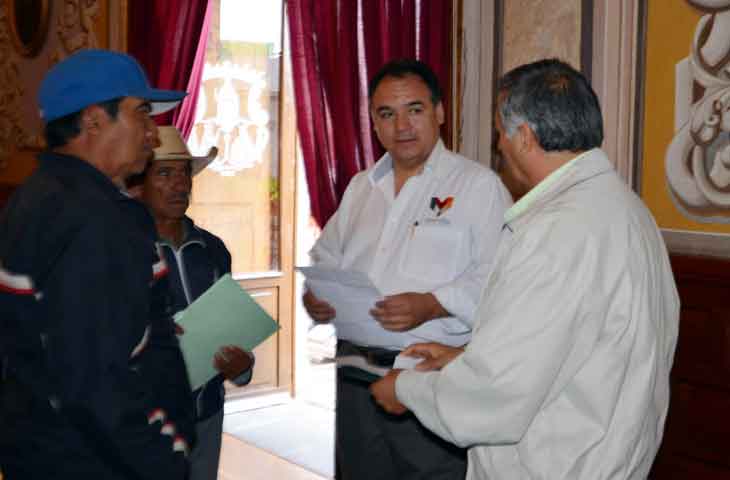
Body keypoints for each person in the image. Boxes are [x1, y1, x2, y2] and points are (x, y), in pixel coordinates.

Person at [371, 58, 680, 480]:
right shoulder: (626, 209)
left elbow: (495, 397)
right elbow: (569, 344)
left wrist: (405, 389)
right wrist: (464, 358)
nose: (498, 145)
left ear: (525, 137)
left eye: (500, 131)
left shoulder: (556, 231)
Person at [303, 59, 511, 479]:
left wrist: (433, 304)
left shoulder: (478, 186)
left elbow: (500, 279)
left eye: (414, 110)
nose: (402, 126)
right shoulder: (361, 187)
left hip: (429, 378)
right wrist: (314, 297)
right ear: (374, 123)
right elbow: (324, 260)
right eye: (387, 114)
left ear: (439, 112)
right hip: (354, 377)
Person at [0, 49, 195, 479]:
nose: (153, 134)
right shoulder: (97, 219)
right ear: (93, 121)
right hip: (98, 461)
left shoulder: (35, 195)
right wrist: (166, 458)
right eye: (141, 113)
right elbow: (96, 383)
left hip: (39, 447)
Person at [129, 126, 255, 480]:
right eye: (165, 173)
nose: (180, 184)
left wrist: (242, 366)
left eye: (185, 172)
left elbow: (232, 326)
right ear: (139, 185)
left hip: (207, 415)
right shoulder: (126, 250)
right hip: (149, 423)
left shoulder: (213, 250)